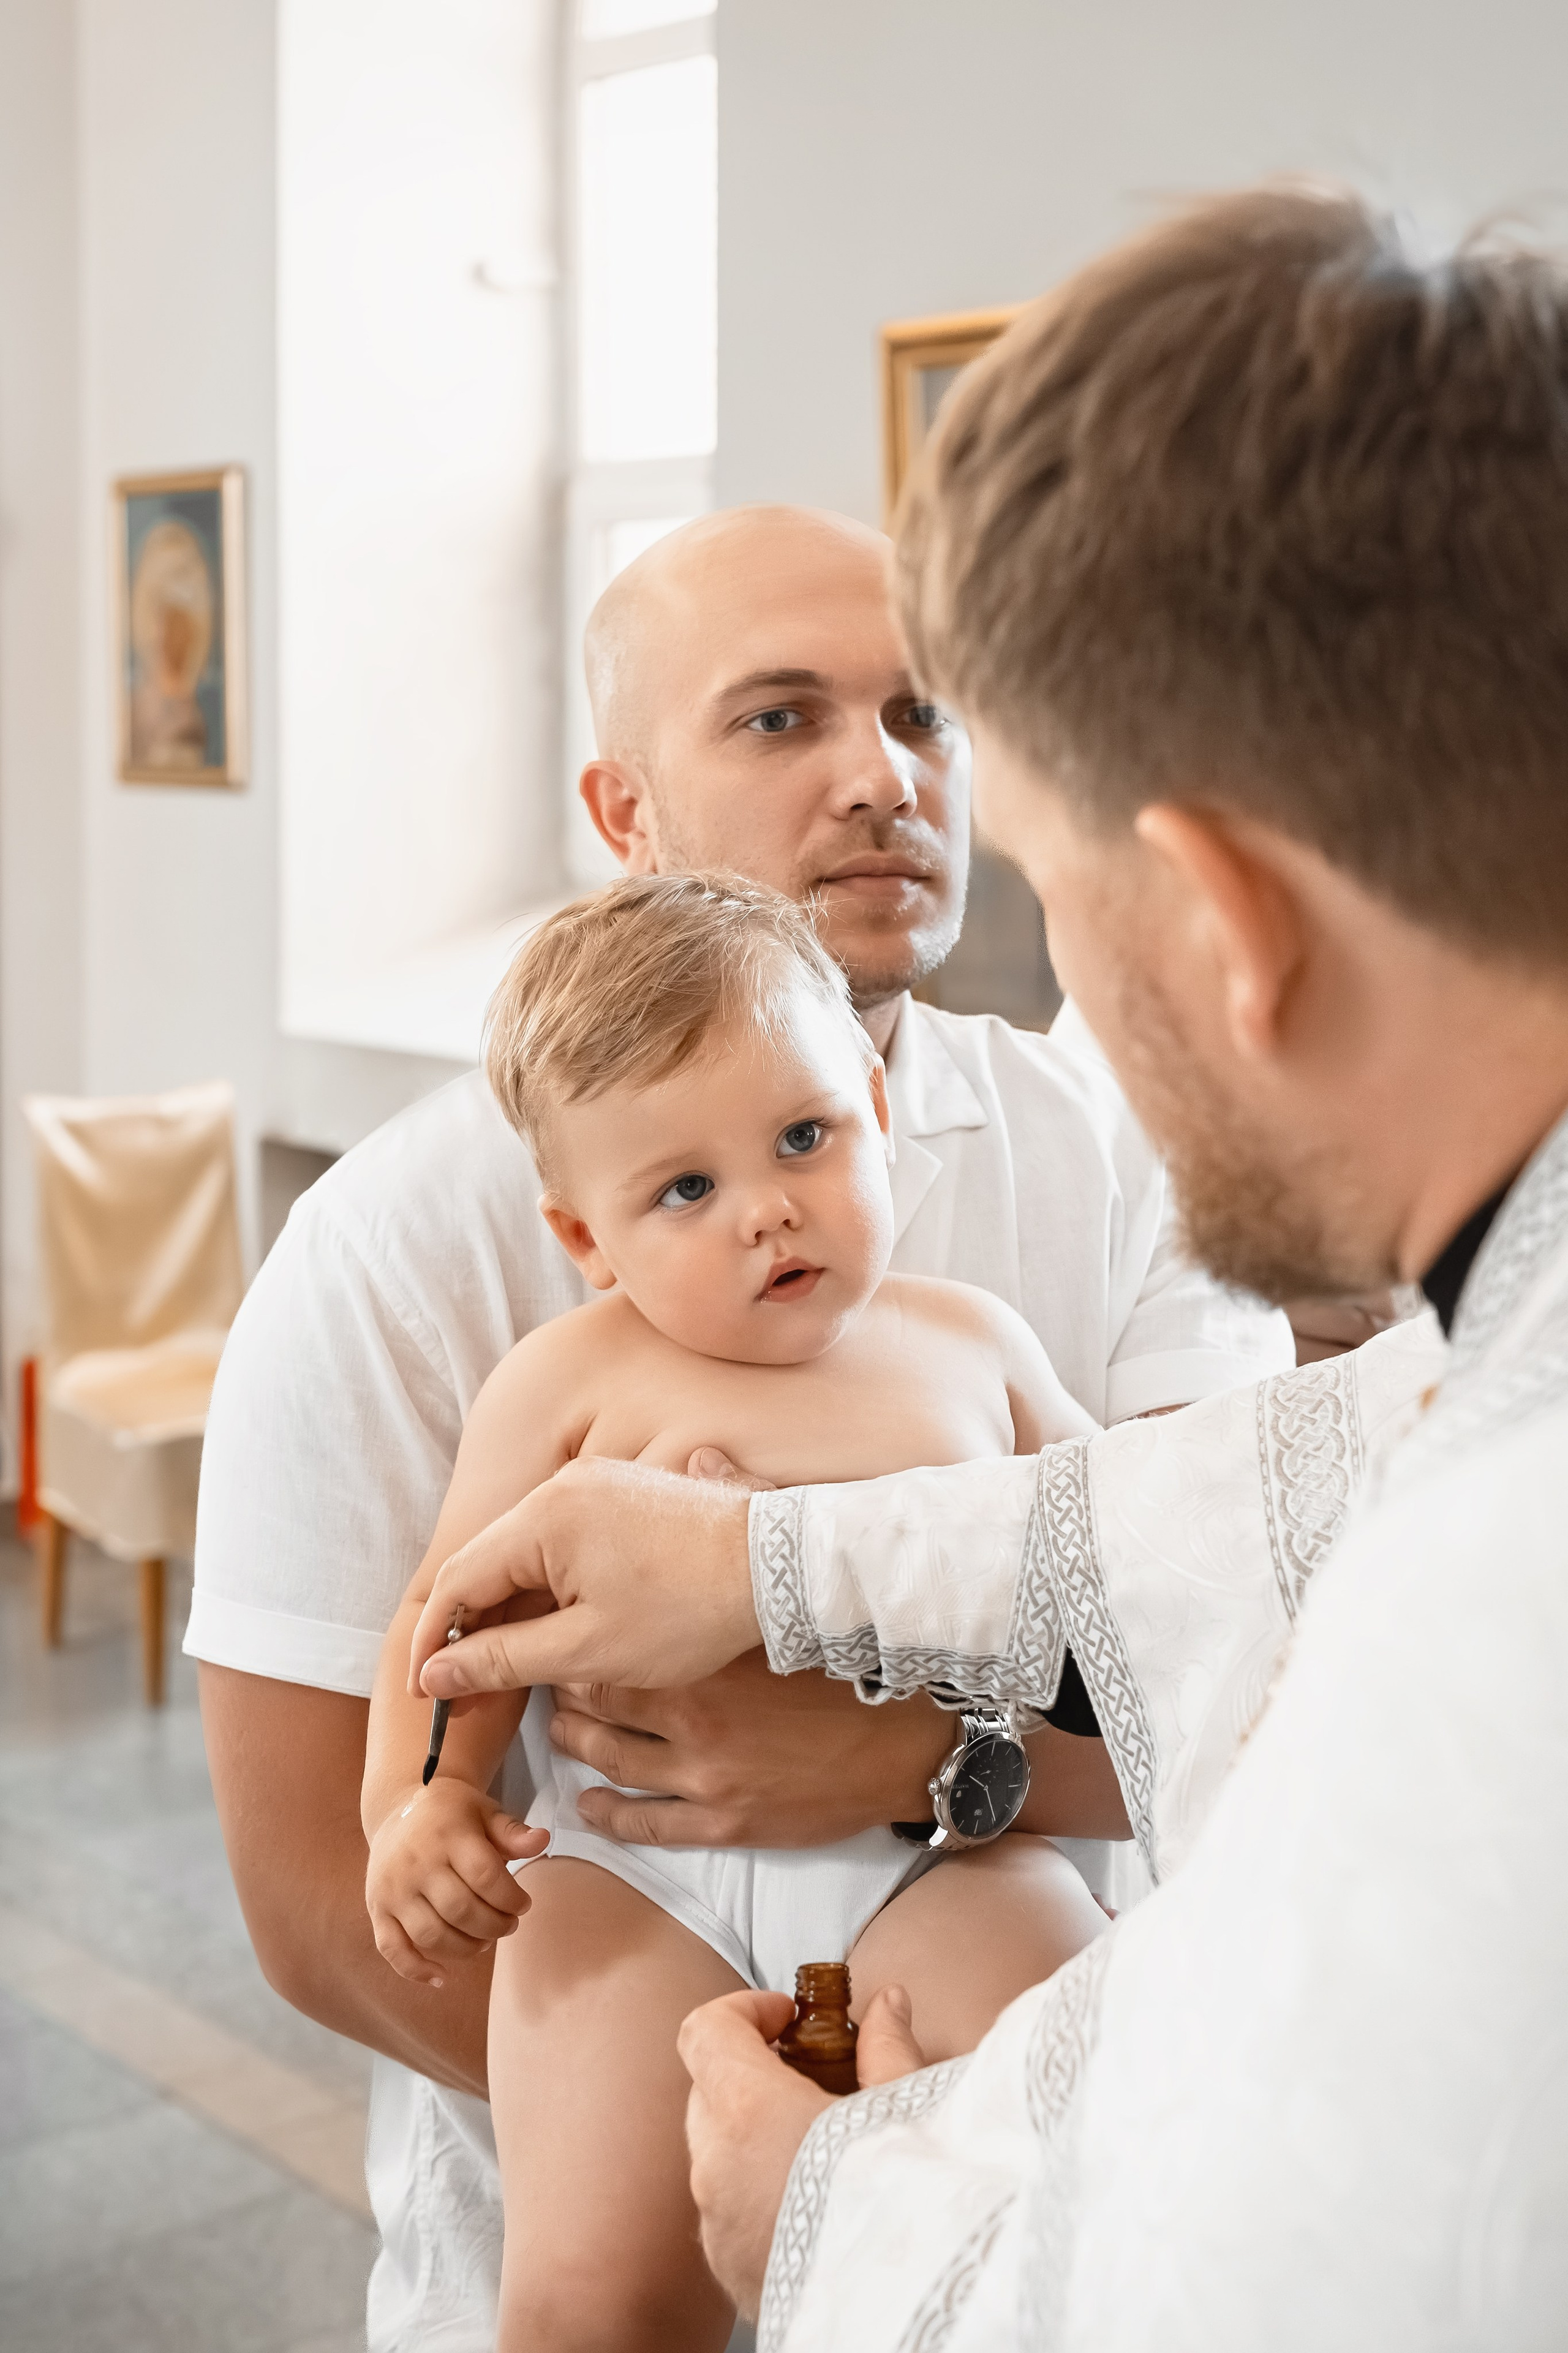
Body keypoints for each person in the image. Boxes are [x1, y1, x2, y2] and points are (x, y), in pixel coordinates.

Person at [415, 188, 1568, 2345]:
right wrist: (764, 1577)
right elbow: (1286, 1486)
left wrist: (840, 2222)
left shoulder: (1486, 1653)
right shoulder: (1496, 1373)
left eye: (1045, 886)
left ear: (1225, 923)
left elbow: (1299, 2267)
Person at [189, 505, 1291, 2349]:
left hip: (985, 2077)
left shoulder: (1104, 1161)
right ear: (624, 814)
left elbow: (1251, 1682)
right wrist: (696, 2157)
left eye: (922, 716)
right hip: (597, 2048)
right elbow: (323, 1895)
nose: (880, 776)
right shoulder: (391, 1251)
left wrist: (915, 1779)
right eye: (781, 719)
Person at [366, 874, 1106, 2350]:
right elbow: (448, 1616)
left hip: (941, 1858)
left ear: (878, 1115)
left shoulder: (974, 1349)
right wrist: (417, 1797)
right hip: (630, 1875)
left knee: (1068, 2159)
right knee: (590, 2299)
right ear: (587, 1236)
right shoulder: (566, 1380)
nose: (766, 1207)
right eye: (684, 1190)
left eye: (803, 1137)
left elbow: (1127, 1578)